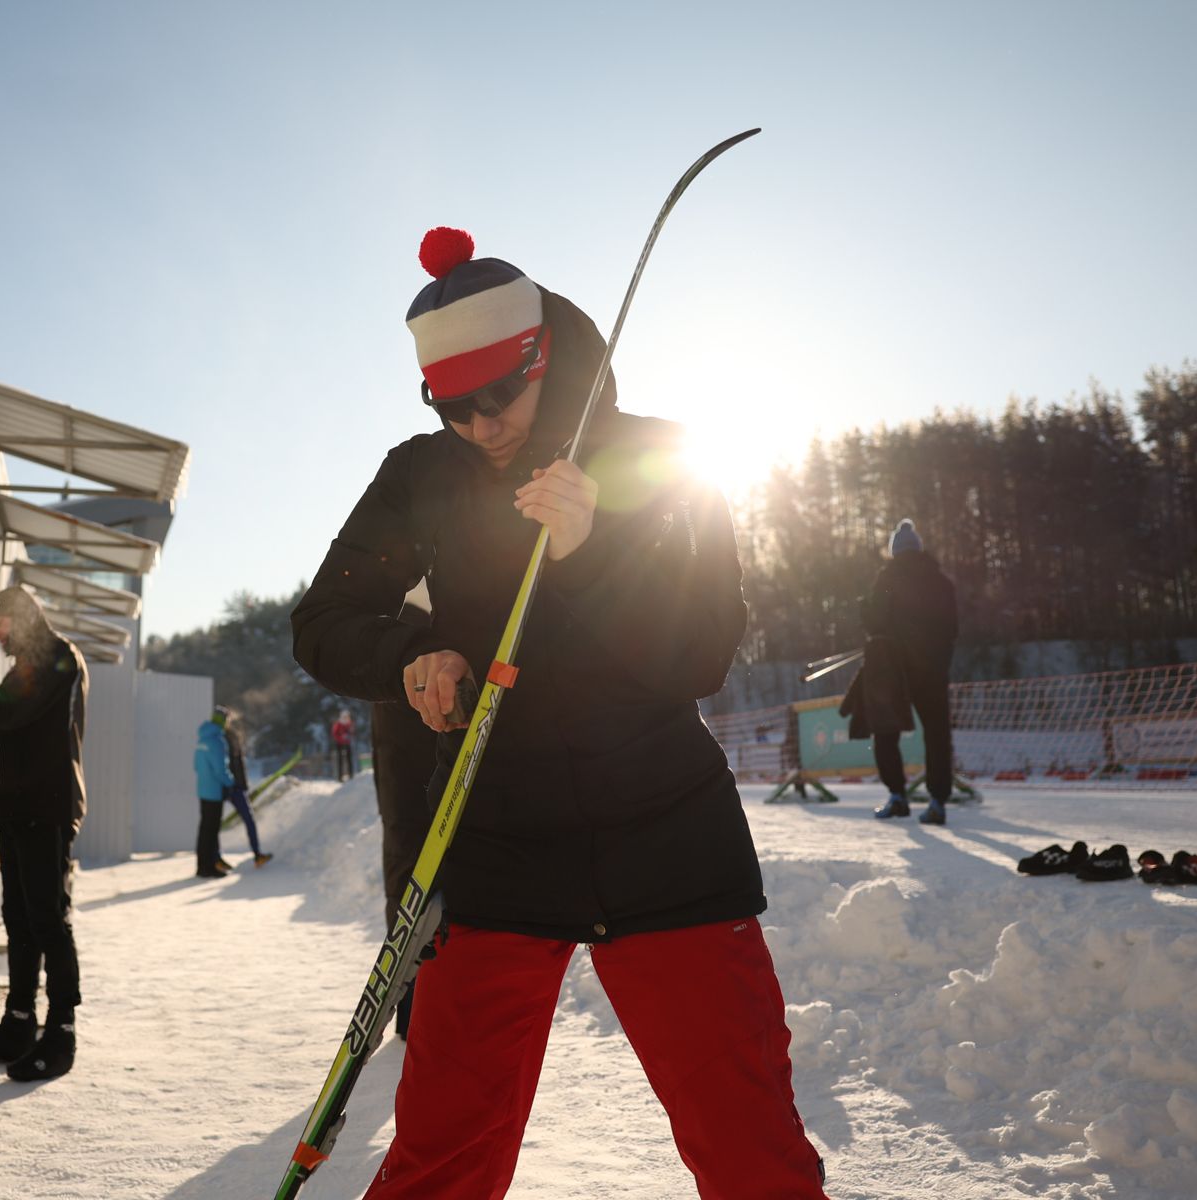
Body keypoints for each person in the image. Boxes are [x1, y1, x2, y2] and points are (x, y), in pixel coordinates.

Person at [290, 227, 827, 1198]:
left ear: (545, 356)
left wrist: (591, 554)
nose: (481, 425)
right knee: (442, 1157)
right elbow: (324, 621)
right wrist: (411, 655)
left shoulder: (668, 458)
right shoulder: (423, 475)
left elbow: (701, 652)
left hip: (666, 837)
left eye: (498, 395)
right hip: (496, 843)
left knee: (750, 1147)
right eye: (452, 405)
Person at [0, 587, 88, 1081]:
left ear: (23, 618)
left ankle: (61, 1030)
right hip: (18, 808)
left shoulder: (57, 657)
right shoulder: (28, 661)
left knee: (48, 918)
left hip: (47, 807)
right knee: (18, 917)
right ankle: (18, 1020)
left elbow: (6, 712)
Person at [371, 594, 440, 1040]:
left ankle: (418, 1008)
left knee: (412, 857)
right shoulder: (405, 629)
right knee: (414, 858)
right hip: (415, 644)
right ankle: (416, 1008)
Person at [860, 519, 959, 824]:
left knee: (886, 732)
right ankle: (938, 801)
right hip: (932, 671)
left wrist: (864, 608)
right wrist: (939, 661)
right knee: (937, 734)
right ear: (918, 549)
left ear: (895, 551)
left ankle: (897, 796)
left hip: (894, 671)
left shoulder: (887, 577)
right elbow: (951, 628)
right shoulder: (941, 582)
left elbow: (873, 623)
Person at [219, 707, 273, 867]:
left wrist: (243, 785)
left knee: (248, 820)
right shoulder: (222, 737)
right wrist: (236, 784)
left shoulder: (230, 736)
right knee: (245, 820)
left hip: (232, 786)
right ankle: (217, 858)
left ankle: (257, 855)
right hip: (229, 786)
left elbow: (238, 763)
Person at [193, 707, 234, 877]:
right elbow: (220, 770)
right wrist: (231, 782)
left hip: (202, 790)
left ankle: (202, 865)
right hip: (214, 793)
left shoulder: (202, 739)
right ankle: (208, 868)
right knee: (211, 831)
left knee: (204, 830)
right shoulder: (217, 741)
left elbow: (195, 766)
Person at [331, 708, 357, 779]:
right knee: (340, 760)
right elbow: (334, 734)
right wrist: (341, 738)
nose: (346, 718)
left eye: (347, 716)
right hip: (339, 743)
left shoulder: (349, 723)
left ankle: (351, 774)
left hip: (347, 743)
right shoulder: (338, 724)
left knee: (349, 759)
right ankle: (340, 776)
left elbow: (352, 732)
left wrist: (349, 735)